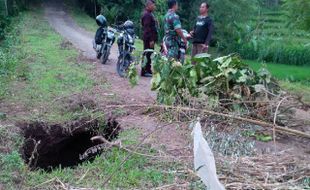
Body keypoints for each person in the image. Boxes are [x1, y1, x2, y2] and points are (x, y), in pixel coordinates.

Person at [141, 0, 158, 77]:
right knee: (147, 54)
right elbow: (147, 28)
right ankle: (144, 71)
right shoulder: (147, 15)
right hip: (148, 38)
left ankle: (148, 69)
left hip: (150, 38)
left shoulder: (150, 14)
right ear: (149, 5)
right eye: (153, 5)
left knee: (149, 54)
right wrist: (151, 39)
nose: (154, 7)